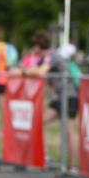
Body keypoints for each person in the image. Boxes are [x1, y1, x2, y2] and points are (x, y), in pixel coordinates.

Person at [17, 31, 79, 169]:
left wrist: (24, 72)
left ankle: (73, 167)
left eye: (34, 45)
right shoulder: (43, 57)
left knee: (70, 130)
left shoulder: (52, 55)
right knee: (38, 122)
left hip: (69, 96)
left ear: (39, 45)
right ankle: (46, 157)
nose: (33, 48)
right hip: (58, 98)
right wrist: (26, 65)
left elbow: (41, 71)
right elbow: (29, 67)